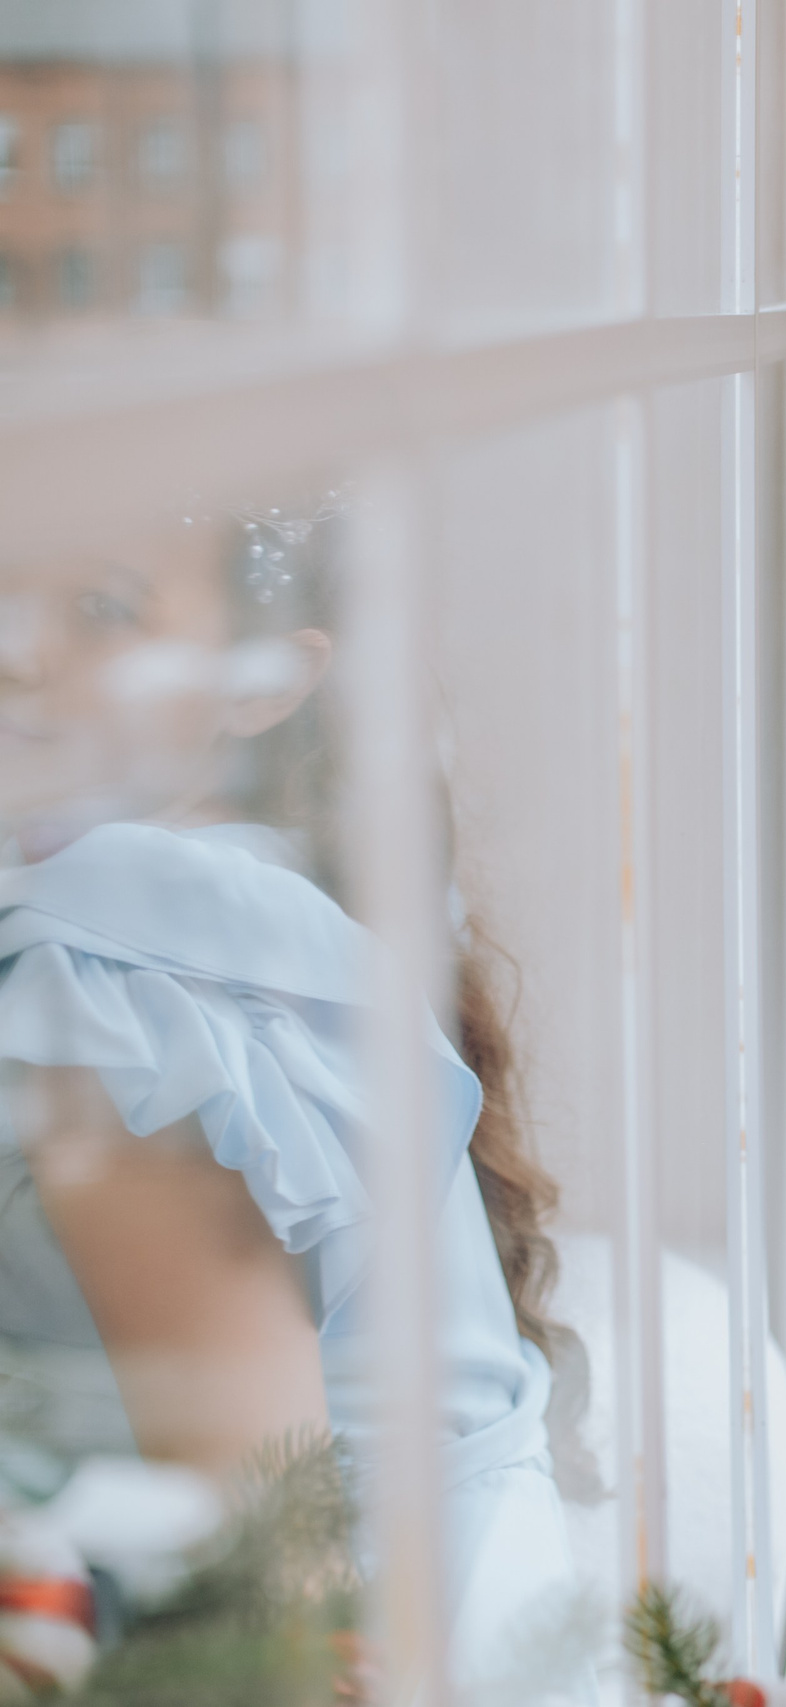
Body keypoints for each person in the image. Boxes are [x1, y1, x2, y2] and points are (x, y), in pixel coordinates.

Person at [0, 507, 596, 1699]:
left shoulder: (110, 975)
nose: (16, 649)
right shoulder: (216, 906)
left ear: (264, 681)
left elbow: (269, 1616)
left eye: (107, 607)